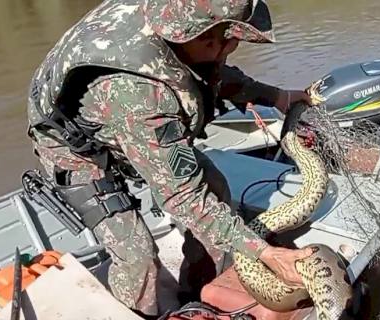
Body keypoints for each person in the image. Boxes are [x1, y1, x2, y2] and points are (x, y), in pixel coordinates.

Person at [27, 0, 315, 318]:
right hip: (75, 148)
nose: (234, 46)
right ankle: (143, 314)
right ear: (200, 38)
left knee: (214, 186)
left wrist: (276, 96)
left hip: (122, 117)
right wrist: (264, 252)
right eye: (231, 39)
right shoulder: (140, 96)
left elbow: (207, 73)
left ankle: (198, 293)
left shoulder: (177, 21)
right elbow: (184, 197)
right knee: (138, 258)